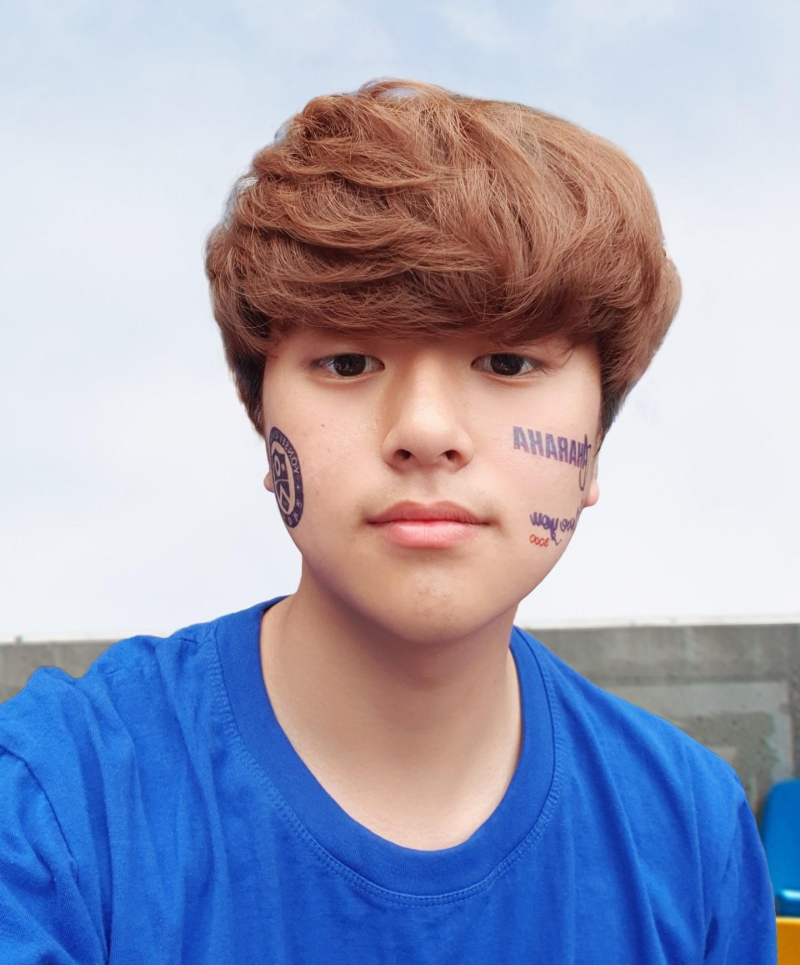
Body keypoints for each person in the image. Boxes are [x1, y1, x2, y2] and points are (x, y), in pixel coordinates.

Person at [0, 78, 776, 963]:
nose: (427, 430)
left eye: (509, 361)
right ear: (263, 423)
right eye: (347, 361)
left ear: (594, 446)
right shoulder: (59, 803)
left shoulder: (692, 831)